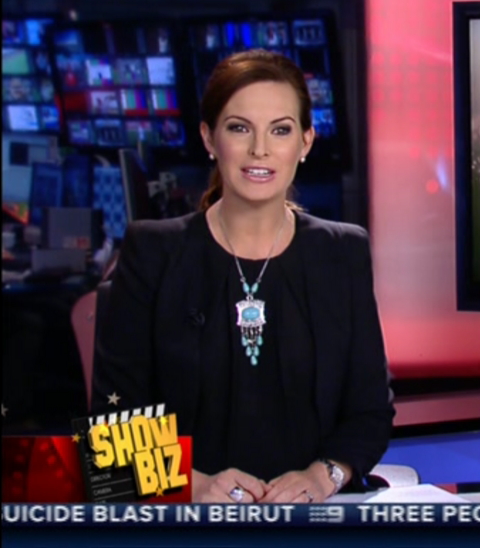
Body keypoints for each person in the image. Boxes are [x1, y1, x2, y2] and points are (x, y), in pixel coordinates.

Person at [92, 49, 395, 504]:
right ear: (209, 138)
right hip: (190, 518)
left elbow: (370, 411)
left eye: (280, 130)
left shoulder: (342, 252)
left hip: (310, 517)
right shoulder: (153, 252)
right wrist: (193, 485)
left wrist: (323, 476)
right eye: (239, 128)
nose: (260, 149)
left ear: (306, 142)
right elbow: (112, 430)